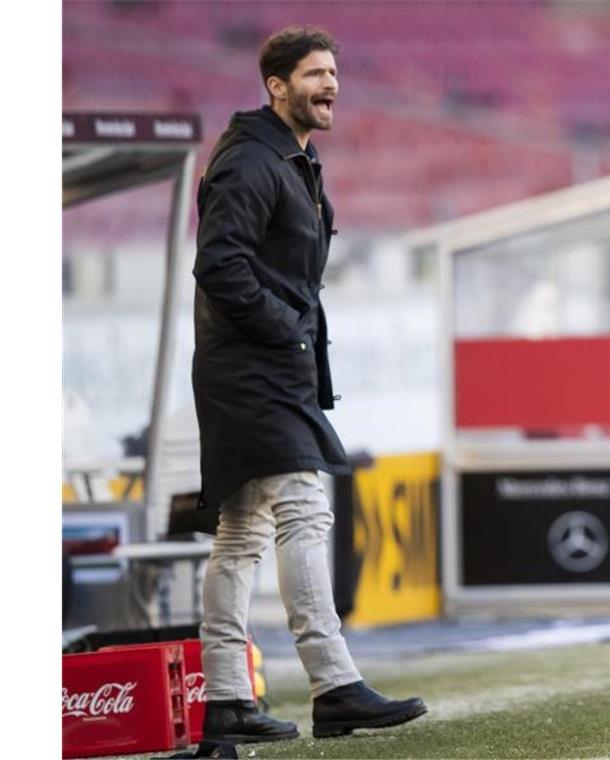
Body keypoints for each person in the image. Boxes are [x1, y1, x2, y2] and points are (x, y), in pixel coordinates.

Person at [192, 27, 426, 744]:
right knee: (302, 507)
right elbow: (220, 264)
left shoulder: (292, 156)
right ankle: (335, 685)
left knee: (241, 534)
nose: (331, 86)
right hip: (252, 368)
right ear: (276, 85)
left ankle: (228, 698)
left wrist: (291, 336)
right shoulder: (252, 160)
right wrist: (287, 330)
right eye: (316, 74)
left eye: (335, 74)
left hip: (261, 366)